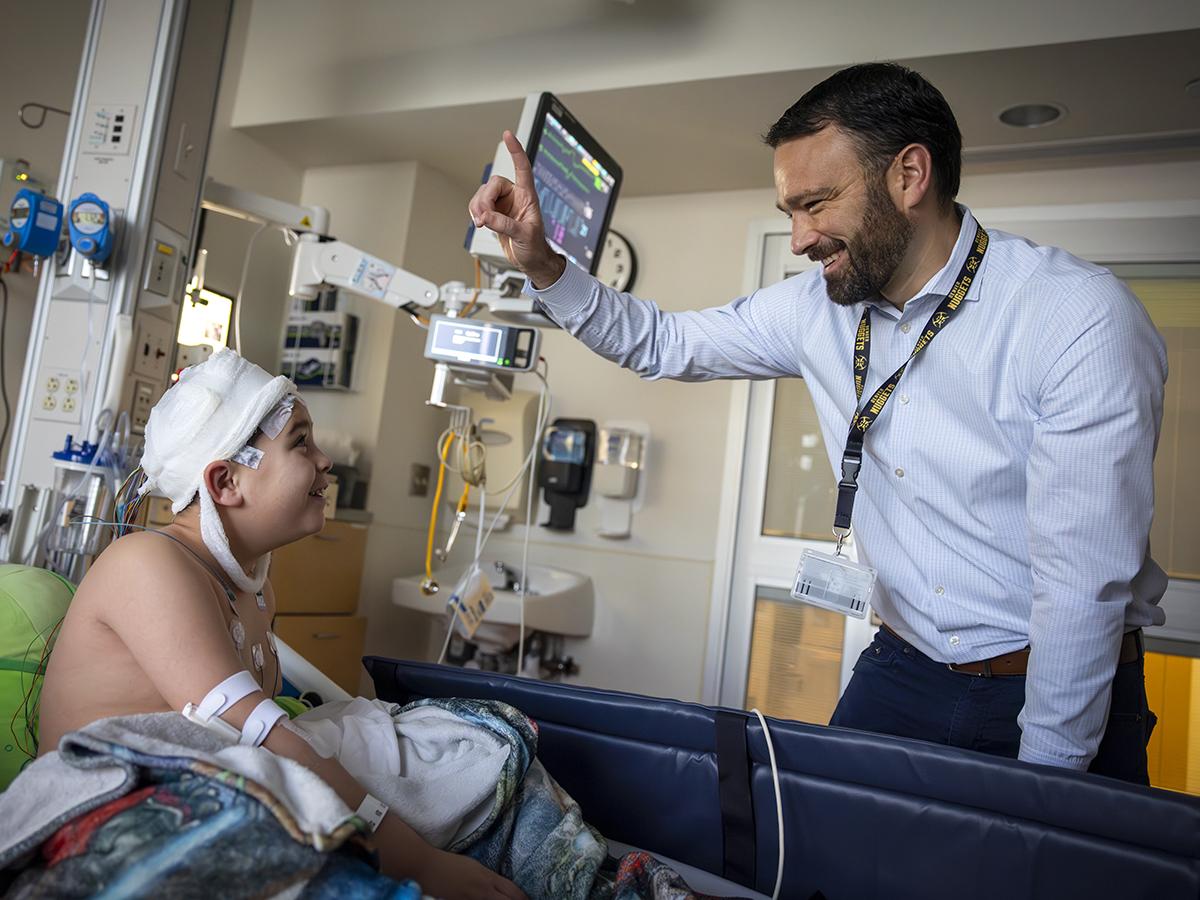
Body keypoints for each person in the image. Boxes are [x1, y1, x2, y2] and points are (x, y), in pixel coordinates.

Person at [468, 62, 1168, 784]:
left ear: (909, 175)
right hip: (902, 667)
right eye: (789, 213)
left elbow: (1081, 590)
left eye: (817, 203)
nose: (800, 239)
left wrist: (1049, 788)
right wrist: (544, 264)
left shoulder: (1074, 317)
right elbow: (664, 342)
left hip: (1056, 679)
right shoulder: (814, 311)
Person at [37, 349, 526, 899]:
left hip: (207, 785)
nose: (326, 461)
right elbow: (252, 730)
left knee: (470, 743)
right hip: (106, 812)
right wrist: (422, 865)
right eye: (301, 442)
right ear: (225, 483)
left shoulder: (253, 588)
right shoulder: (149, 563)